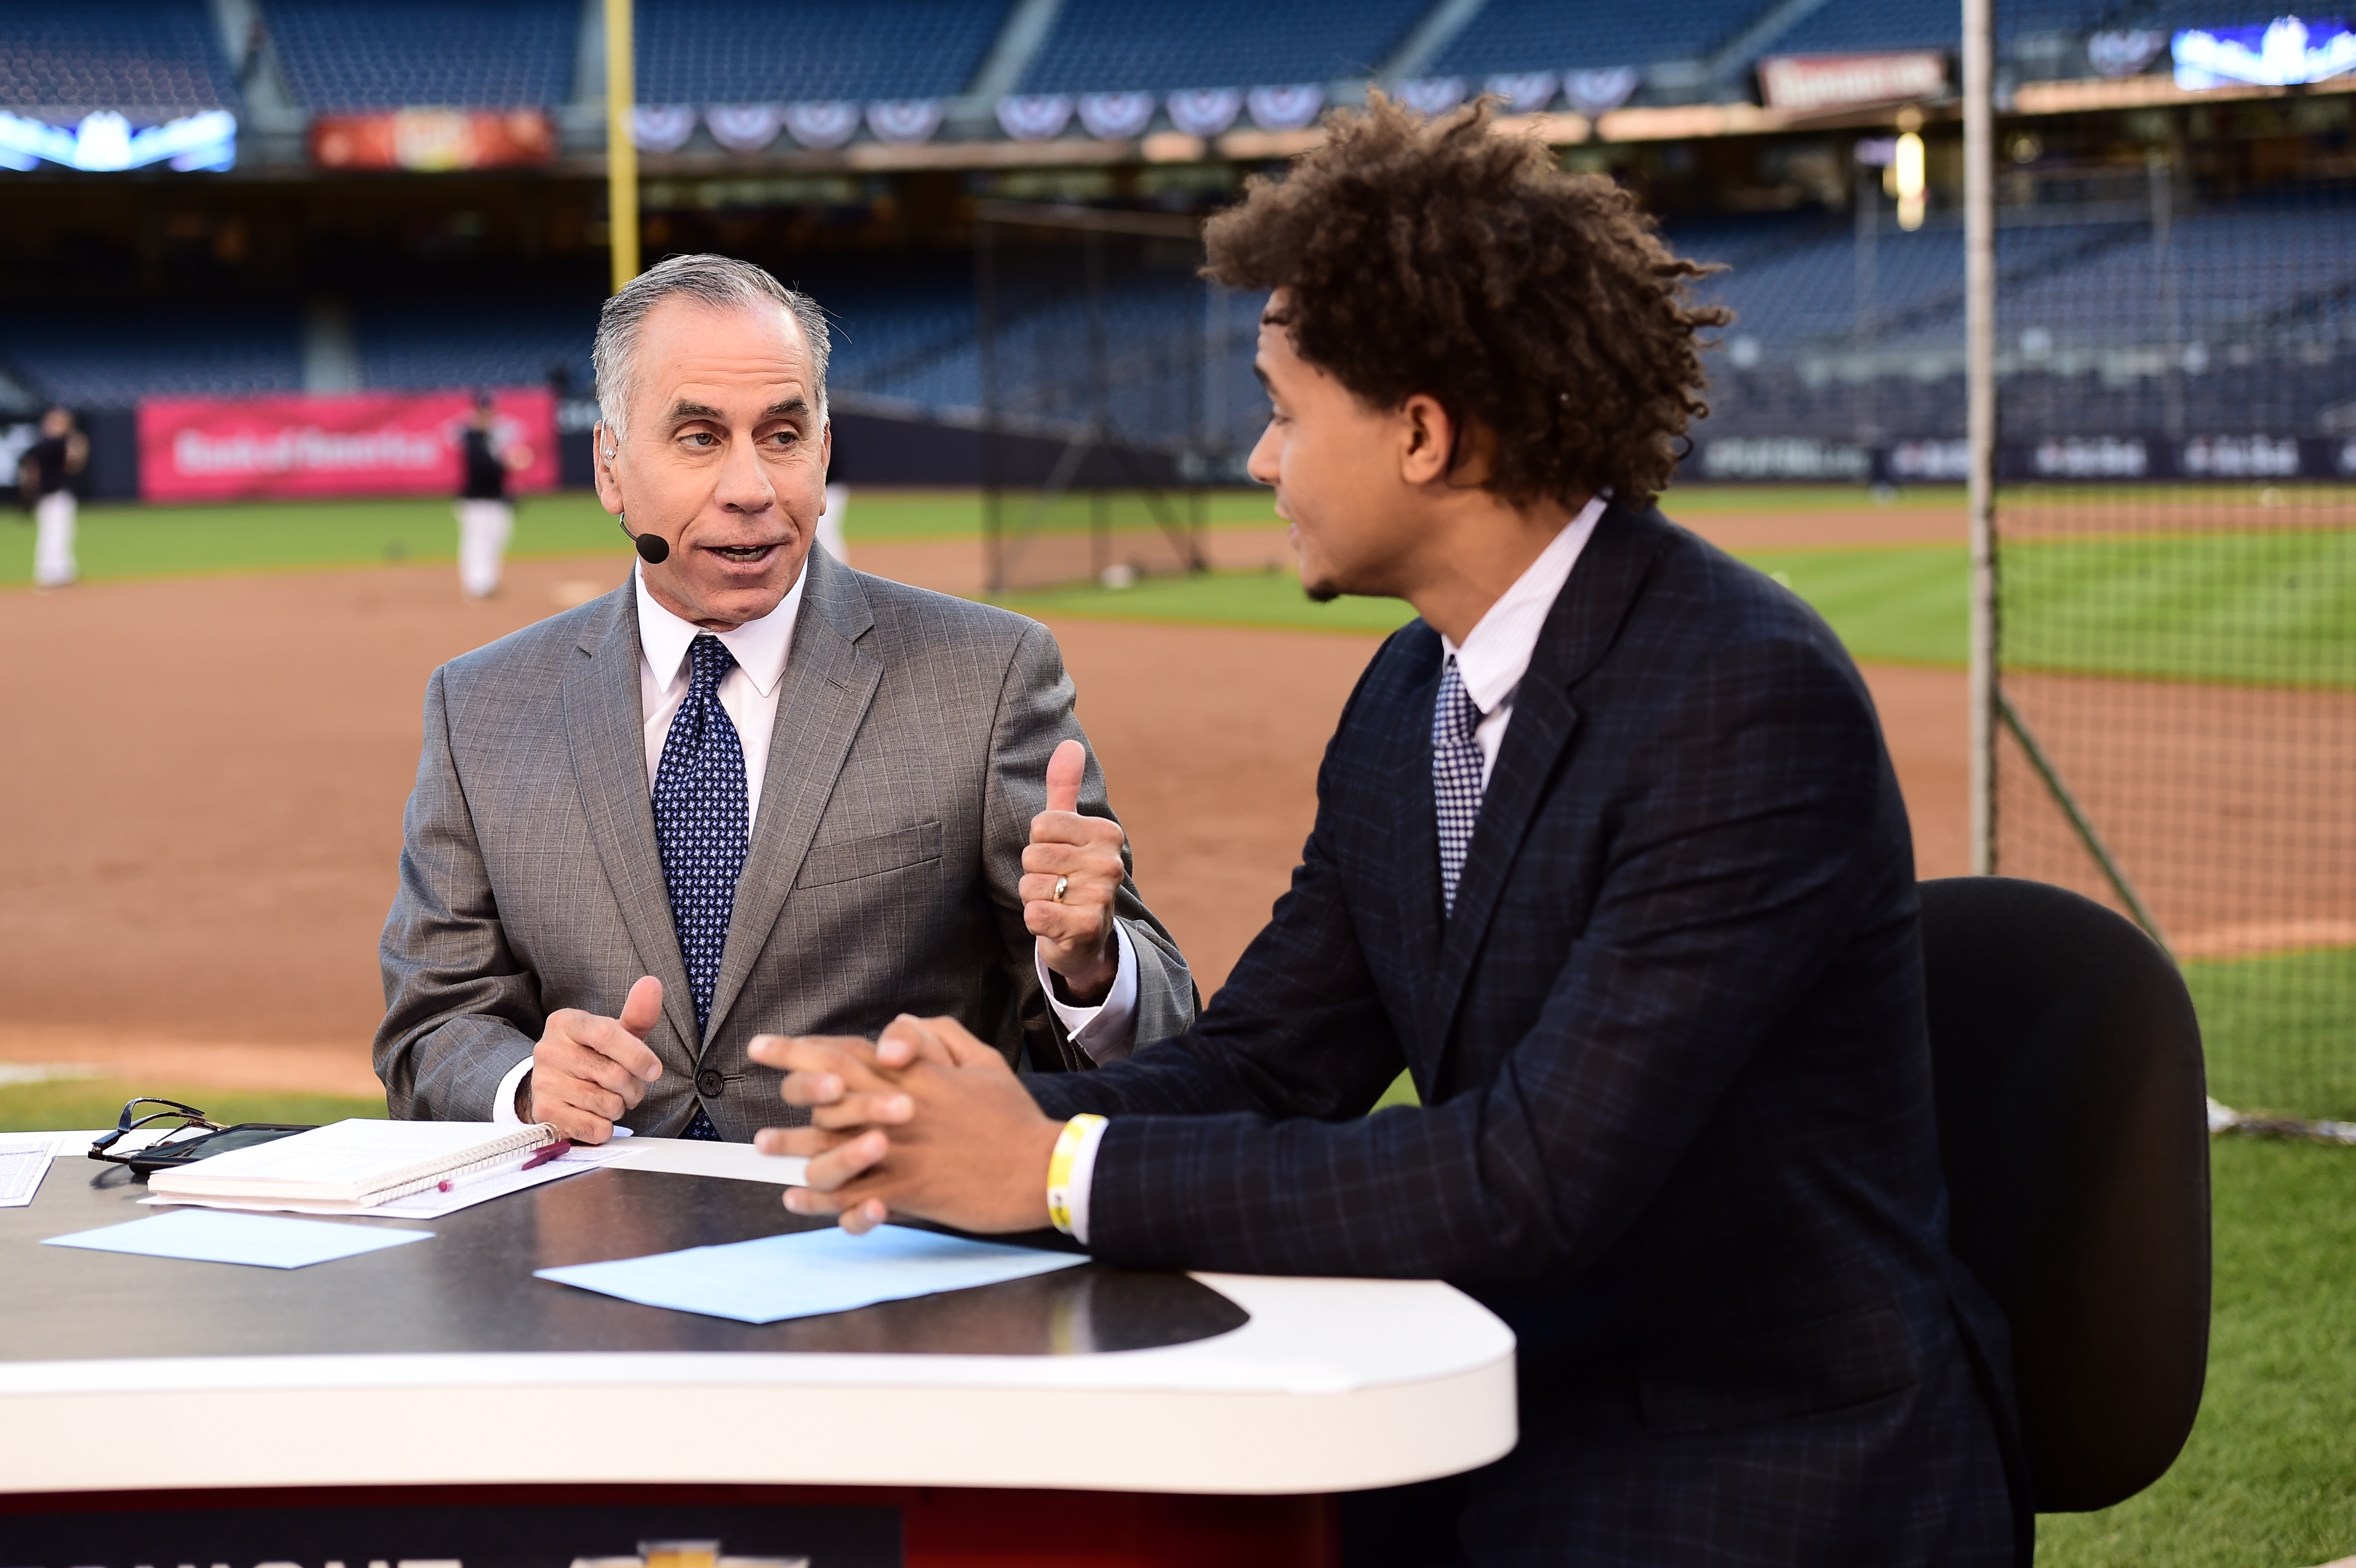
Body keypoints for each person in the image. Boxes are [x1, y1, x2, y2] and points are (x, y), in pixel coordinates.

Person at [753, 100, 2022, 1565]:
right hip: (1506, 1397)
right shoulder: (1411, 684)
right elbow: (1274, 1062)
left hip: (1764, 1454)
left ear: (1422, 433)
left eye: (1284, 409)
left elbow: (1530, 1178)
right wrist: (969, 1113)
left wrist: (1047, 1173)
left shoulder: (1743, 698)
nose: (1257, 458)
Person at [375, 253, 1195, 1143]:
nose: (752, 490)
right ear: (611, 468)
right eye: (698, 438)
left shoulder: (988, 674)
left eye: (781, 435)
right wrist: (530, 1083)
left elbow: (1165, 1036)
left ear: (824, 448)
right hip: (591, 1253)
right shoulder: (479, 704)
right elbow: (431, 1027)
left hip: (879, 1244)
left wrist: (1090, 968)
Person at [455, 394, 521, 599]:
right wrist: (507, 464)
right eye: (483, 413)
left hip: (495, 498)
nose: (487, 417)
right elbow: (483, 468)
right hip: (477, 499)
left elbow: (497, 471)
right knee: (476, 540)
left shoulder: (491, 438)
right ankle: (475, 584)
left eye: (489, 413)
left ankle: (488, 581)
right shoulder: (471, 439)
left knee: (497, 538)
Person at [20, 406, 86, 589]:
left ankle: (59, 571)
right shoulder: (57, 444)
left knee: (56, 534)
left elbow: (28, 469)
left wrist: (28, 492)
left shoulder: (40, 445)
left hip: (47, 496)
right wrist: (77, 442)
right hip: (55, 495)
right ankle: (50, 573)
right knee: (56, 534)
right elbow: (74, 462)